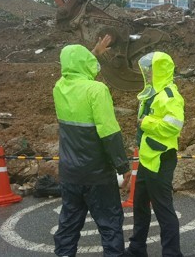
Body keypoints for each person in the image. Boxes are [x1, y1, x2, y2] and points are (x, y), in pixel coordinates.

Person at [52, 35, 131, 257]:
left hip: (69, 173)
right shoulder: (97, 90)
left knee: (68, 224)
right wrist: (123, 167)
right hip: (97, 174)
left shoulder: (59, 88)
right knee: (110, 225)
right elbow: (109, 133)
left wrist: (93, 52)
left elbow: (76, 67)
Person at [125, 51, 185, 257]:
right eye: (148, 70)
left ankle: (172, 253)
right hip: (147, 158)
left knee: (163, 209)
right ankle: (137, 248)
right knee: (140, 206)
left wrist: (145, 123)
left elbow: (173, 126)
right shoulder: (153, 94)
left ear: (161, 70)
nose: (148, 73)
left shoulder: (170, 96)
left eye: (152, 69)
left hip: (161, 158)